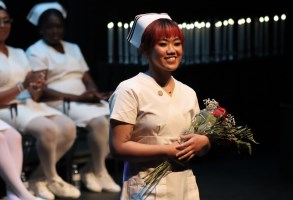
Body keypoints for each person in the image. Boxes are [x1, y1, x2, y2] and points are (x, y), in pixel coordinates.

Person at [108, 13, 211, 200]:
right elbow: (118, 147)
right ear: (145, 49)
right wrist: (166, 150)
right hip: (146, 186)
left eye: (177, 43)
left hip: (183, 185)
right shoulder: (130, 89)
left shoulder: (188, 92)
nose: (172, 50)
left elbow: (197, 142)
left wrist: (204, 143)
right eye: (163, 44)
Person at [25, 2, 121, 193]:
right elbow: (41, 89)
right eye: (50, 27)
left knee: (116, 119)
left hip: (82, 99)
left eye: (58, 26)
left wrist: (94, 93)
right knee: (99, 123)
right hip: (58, 102)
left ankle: (90, 170)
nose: (55, 31)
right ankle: (100, 171)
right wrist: (78, 98)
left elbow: (86, 77)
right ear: (41, 29)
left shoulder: (73, 48)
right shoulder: (36, 51)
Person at [0, 2, 81, 199]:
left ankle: (40, 177)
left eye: (6, 21)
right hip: (6, 108)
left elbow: (33, 90)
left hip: (28, 104)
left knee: (68, 127)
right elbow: (20, 86)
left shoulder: (18, 52)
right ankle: (52, 177)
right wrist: (22, 86)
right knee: (48, 129)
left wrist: (37, 86)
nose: (3, 26)